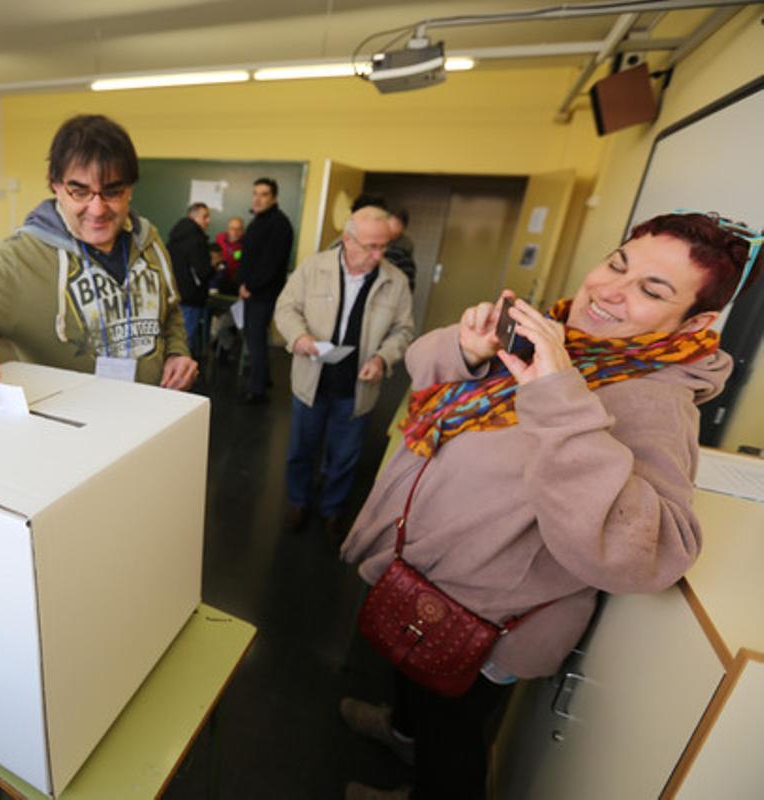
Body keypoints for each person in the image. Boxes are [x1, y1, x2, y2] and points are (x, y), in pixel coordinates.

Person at [337, 211, 758, 800]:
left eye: (651, 290)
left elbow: (647, 551)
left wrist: (556, 395)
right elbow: (428, 379)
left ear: (700, 319)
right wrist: (464, 347)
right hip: (426, 575)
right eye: (618, 264)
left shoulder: (656, 402)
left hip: (484, 617)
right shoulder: (558, 331)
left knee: (452, 739)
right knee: (414, 685)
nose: (610, 290)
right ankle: (399, 730)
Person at [0, 114, 197, 408]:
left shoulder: (150, 243)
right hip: (69, 429)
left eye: (112, 191)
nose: (97, 209)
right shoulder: (20, 257)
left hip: (150, 411)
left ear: (131, 188)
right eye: (79, 191)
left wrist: (176, 352)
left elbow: (170, 312)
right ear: (55, 185)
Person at [275, 207, 414, 538]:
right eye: (371, 246)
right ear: (348, 240)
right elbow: (286, 308)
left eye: (384, 247)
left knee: (345, 456)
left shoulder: (396, 281)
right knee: (301, 450)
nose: (379, 255)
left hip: (358, 385)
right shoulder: (314, 267)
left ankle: (333, 509)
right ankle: (298, 501)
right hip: (312, 378)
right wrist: (300, 338)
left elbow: (404, 331)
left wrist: (382, 358)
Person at [237, 177, 295, 404]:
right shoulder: (258, 221)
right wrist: (242, 283)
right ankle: (264, 378)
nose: (258, 199)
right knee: (257, 337)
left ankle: (256, 388)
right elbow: (249, 257)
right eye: (255, 194)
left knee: (255, 339)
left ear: (274, 198)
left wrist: (249, 286)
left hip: (262, 293)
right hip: (252, 290)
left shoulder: (279, 224)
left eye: (264, 194)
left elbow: (270, 263)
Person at [167, 202, 215, 356]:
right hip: (192, 297)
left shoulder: (175, 237)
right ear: (193, 217)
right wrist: (213, 267)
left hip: (173, 294)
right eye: (205, 217)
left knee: (174, 338)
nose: (208, 221)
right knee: (186, 340)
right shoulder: (197, 239)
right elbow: (202, 271)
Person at [385, 209, 417, 291]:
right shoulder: (381, 240)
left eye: (396, 224)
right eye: (388, 223)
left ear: (403, 227)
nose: (390, 227)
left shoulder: (403, 247)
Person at [215, 216, 245, 292]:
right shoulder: (220, 238)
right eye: (232, 228)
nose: (235, 232)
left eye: (238, 229)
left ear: (242, 231)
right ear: (228, 229)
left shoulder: (247, 243)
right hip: (219, 276)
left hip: (237, 279)